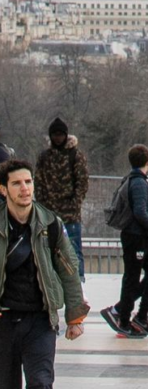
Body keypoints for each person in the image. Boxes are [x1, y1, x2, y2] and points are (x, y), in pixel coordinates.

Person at [0, 159, 89, 389]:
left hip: (40, 321)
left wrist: (75, 316)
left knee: (40, 386)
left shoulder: (50, 223)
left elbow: (69, 268)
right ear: (3, 190)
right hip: (4, 321)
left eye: (28, 182)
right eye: (16, 183)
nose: (25, 189)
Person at [100, 145, 148, 338]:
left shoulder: (135, 181)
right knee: (133, 277)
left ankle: (139, 315)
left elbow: (141, 210)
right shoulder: (138, 183)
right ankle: (124, 317)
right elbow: (138, 212)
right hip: (136, 236)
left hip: (141, 236)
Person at [35, 118, 90, 282]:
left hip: (70, 214)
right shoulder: (45, 156)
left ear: (66, 135)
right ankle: (50, 280)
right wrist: (42, 205)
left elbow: (82, 182)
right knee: (48, 249)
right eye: (55, 135)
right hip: (49, 213)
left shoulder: (75, 155)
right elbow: (38, 182)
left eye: (60, 135)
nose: (58, 138)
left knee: (73, 249)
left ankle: (78, 281)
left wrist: (74, 204)